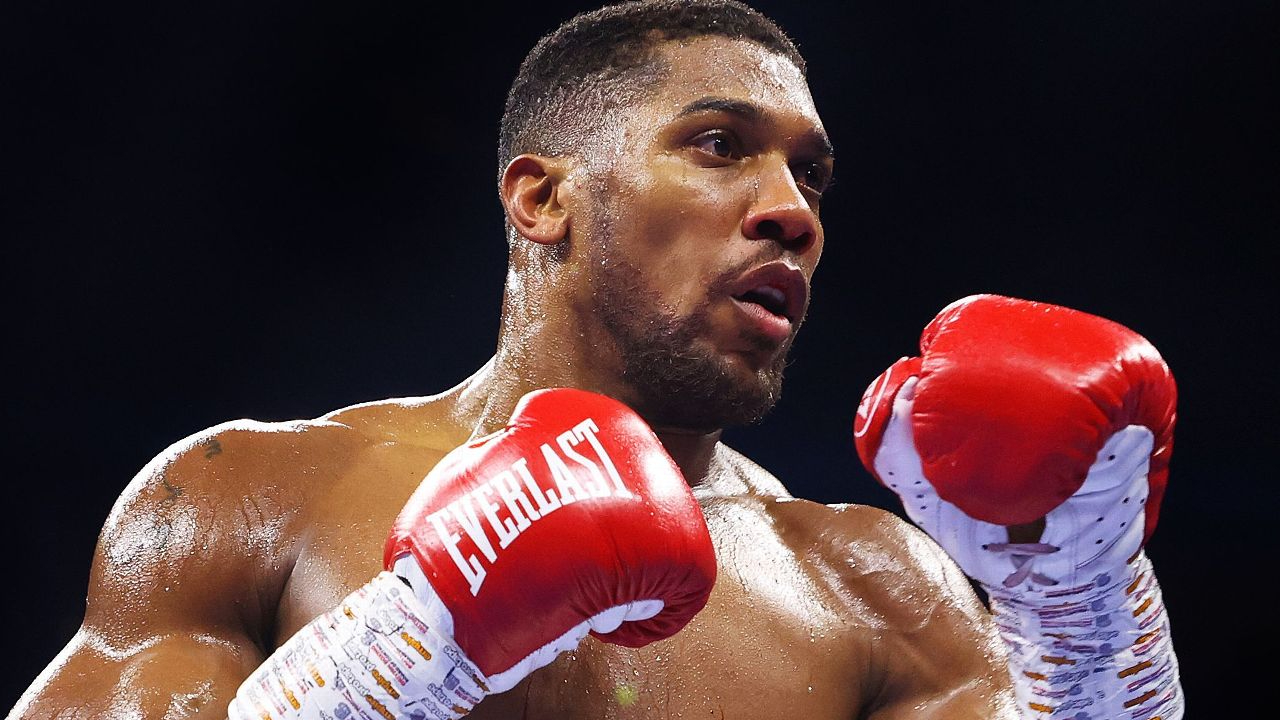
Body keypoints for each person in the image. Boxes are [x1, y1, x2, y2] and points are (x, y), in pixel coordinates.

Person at [9, 2, 1182, 719]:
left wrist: (1081, 602)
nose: (790, 212)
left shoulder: (877, 591)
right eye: (719, 146)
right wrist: (413, 643)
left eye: (810, 175)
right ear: (541, 196)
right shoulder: (248, 497)